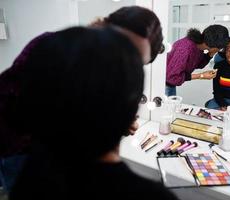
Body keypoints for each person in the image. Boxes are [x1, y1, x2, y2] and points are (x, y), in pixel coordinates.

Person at [0, 5, 163, 194]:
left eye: (134, 61)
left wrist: (115, 123)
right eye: (118, 44)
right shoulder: (55, 48)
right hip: (22, 150)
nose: (122, 61)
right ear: (102, 26)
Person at [165, 25, 229, 96]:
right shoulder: (184, 49)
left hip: (170, 84)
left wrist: (211, 54)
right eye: (220, 48)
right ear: (214, 47)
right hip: (163, 85)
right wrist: (201, 76)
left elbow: (199, 64)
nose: (220, 50)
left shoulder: (198, 45)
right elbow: (171, 78)